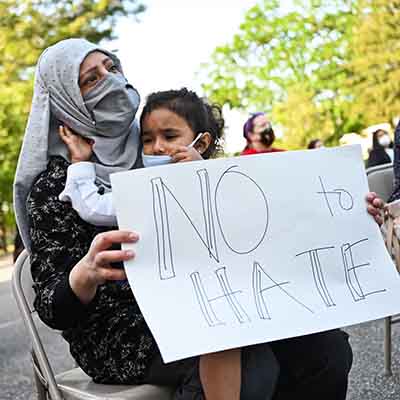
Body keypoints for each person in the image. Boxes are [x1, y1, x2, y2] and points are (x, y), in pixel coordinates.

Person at [12, 38, 385, 400]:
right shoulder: (55, 187)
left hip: (213, 299)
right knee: (249, 360)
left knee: (325, 349)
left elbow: (252, 223)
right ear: (65, 102)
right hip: (120, 330)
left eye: (112, 68)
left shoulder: (159, 155)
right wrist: (86, 272)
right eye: (91, 79)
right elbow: (52, 307)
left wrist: (349, 212)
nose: (110, 81)